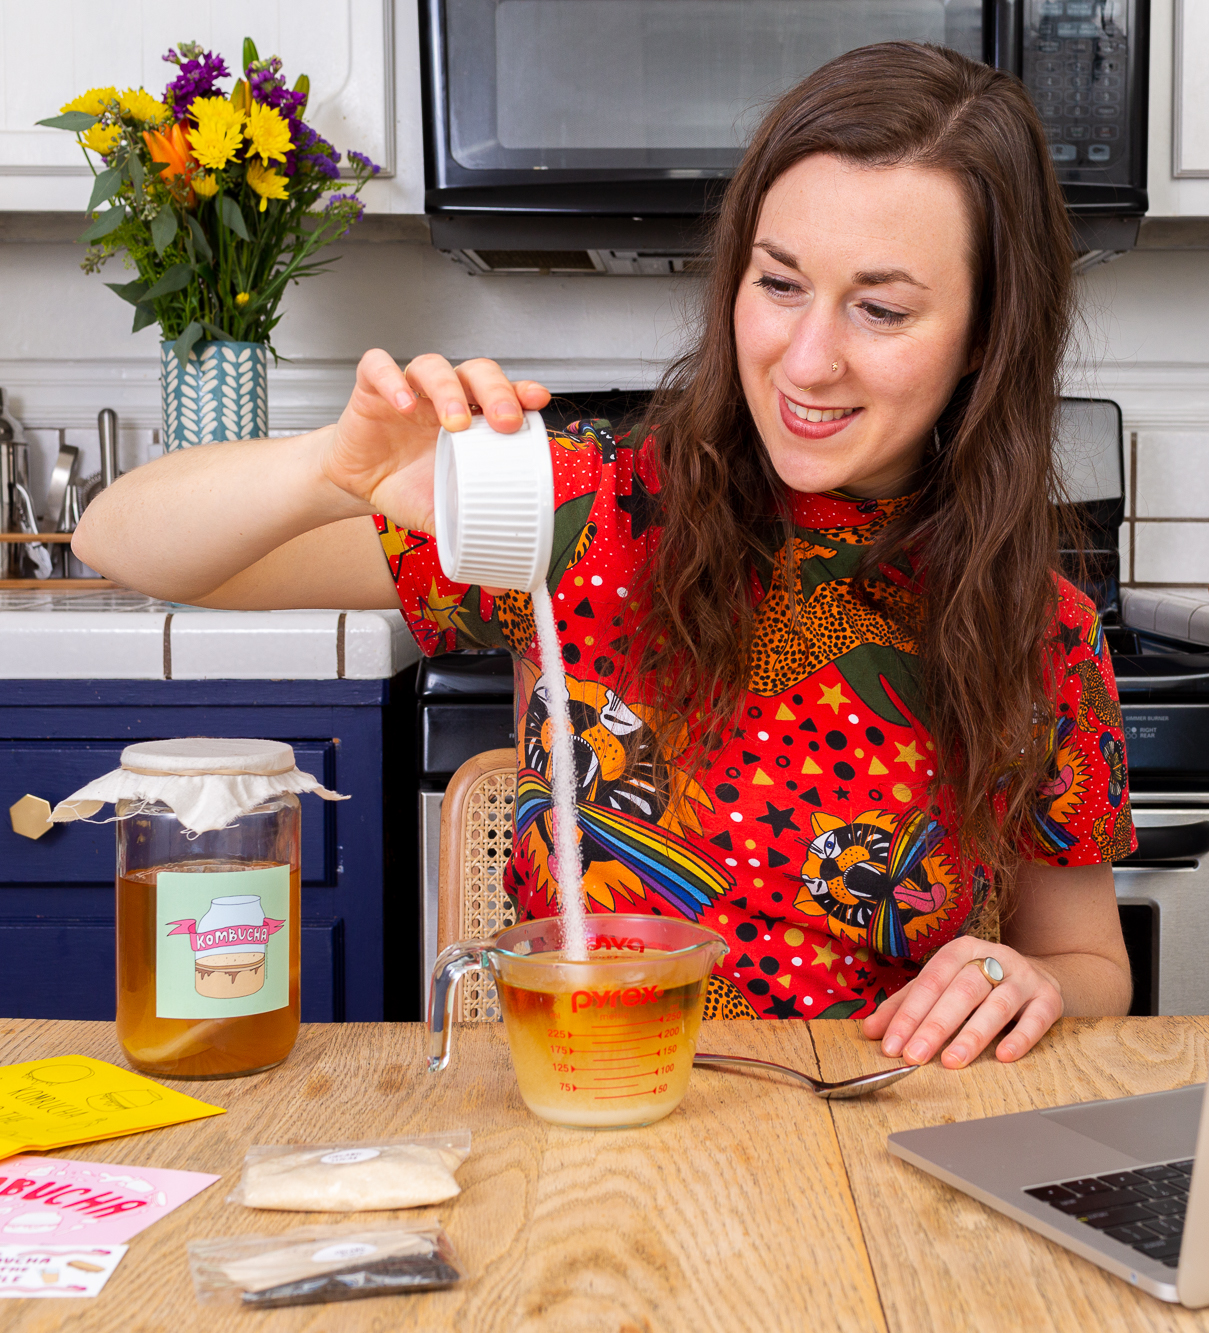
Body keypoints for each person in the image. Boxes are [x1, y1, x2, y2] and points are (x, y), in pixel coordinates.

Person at [74, 41, 1136, 1071]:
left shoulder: (1041, 630)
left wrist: (1019, 978)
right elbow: (122, 541)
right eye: (777, 283)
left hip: (864, 1140)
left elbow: (1087, 961)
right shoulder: (587, 510)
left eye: (881, 307)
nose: (807, 359)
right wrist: (329, 466)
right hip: (582, 1104)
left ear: (986, 334)